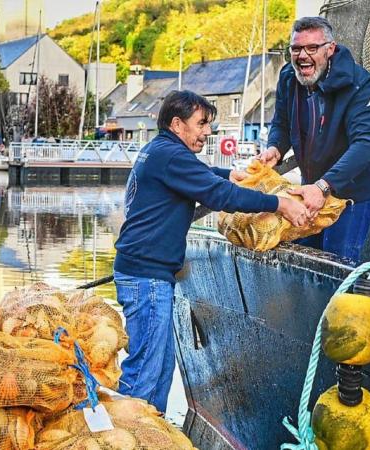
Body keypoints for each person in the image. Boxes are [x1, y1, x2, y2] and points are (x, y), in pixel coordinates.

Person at [113, 90, 308, 413]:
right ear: (177, 124)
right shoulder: (172, 157)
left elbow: (204, 177)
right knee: (144, 372)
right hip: (145, 278)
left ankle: (152, 434)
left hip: (147, 274)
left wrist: (228, 174)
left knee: (160, 370)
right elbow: (220, 196)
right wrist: (279, 203)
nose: (208, 131)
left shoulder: (162, 150)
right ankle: (125, 435)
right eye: (201, 123)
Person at [252, 16, 370, 264]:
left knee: (335, 260)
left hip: (353, 190)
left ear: (330, 49)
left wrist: (324, 186)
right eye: (296, 49)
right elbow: (282, 122)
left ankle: (337, 299)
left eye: (312, 48)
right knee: (302, 252)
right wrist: (276, 147)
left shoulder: (359, 85)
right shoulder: (288, 77)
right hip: (312, 184)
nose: (302, 56)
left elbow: (367, 144)